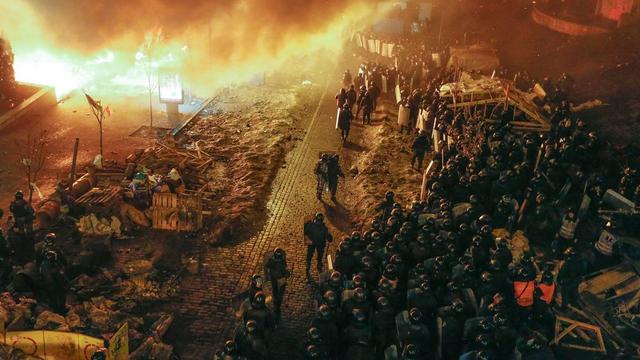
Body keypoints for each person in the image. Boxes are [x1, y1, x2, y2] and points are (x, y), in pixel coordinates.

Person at [304, 213, 333, 279]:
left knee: (315, 255)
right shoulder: (317, 226)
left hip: (317, 244)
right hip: (316, 244)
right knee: (313, 255)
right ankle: (312, 264)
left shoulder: (321, 227)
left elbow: (327, 236)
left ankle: (314, 264)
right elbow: (306, 232)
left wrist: (329, 237)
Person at [264, 248, 290, 317]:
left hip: (281, 279)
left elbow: (285, 268)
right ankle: (276, 304)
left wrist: (286, 273)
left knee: (280, 294)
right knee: (275, 292)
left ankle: (277, 306)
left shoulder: (282, 261)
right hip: (275, 279)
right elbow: (266, 266)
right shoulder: (272, 261)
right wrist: (267, 275)